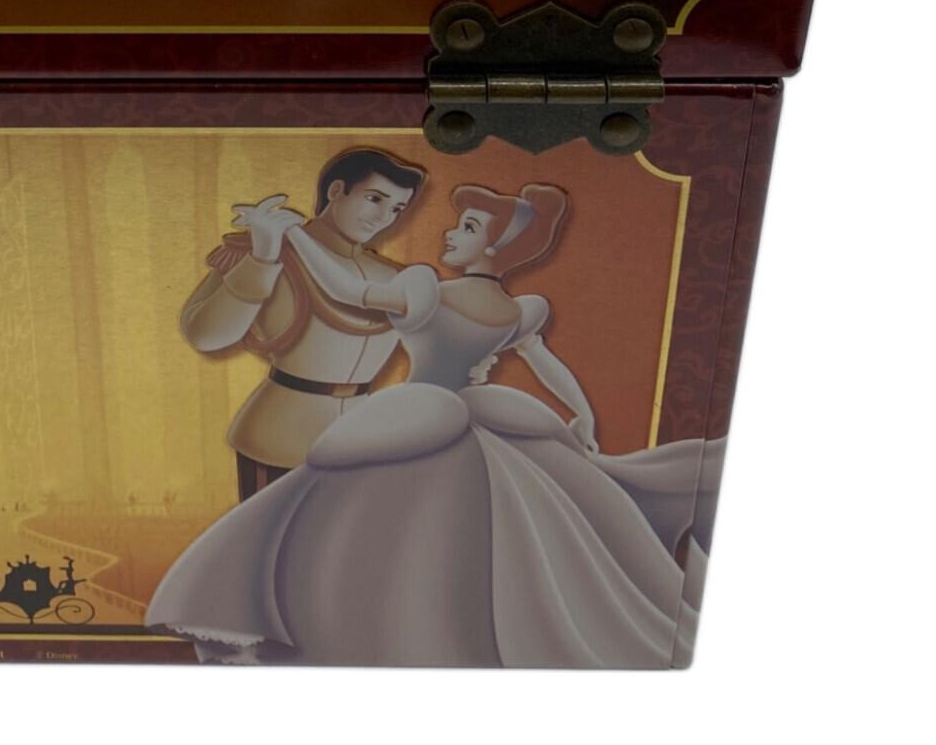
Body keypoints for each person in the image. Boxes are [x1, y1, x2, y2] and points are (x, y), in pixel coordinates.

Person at [147, 185, 724, 668]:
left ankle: (335, 625)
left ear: (493, 245)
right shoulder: (521, 309)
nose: (450, 232)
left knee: (362, 525)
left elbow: (347, 290)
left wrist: (296, 235)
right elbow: (546, 363)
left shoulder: (424, 287)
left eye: (467, 227)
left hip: (420, 419)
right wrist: (584, 414)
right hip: (477, 419)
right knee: (478, 534)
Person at [178, 150, 426, 500]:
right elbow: (205, 336)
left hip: (360, 441)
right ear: (336, 190)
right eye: (374, 199)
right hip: (277, 438)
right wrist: (262, 259)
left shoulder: (393, 276)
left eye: (397, 208)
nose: (384, 217)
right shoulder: (261, 251)